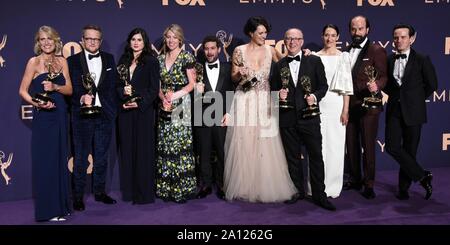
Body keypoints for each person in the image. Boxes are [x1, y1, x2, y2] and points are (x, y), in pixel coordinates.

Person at [223, 16, 297, 203]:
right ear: (251, 33)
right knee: (244, 144)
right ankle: (245, 186)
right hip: (244, 99)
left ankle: (264, 186)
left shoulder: (270, 50)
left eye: (266, 33)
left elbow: (288, 62)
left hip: (265, 101)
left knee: (266, 145)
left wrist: (307, 55)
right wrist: (239, 73)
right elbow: (233, 78)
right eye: (261, 33)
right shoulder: (239, 51)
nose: (264, 36)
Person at [271, 28, 336, 211]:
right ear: (284, 41)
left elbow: (323, 86)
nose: (292, 42)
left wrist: (314, 97)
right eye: (289, 39)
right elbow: (272, 91)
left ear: (302, 41)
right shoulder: (279, 65)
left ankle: (319, 195)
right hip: (287, 119)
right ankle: (297, 191)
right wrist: (278, 95)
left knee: (316, 157)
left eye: (296, 39)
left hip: (310, 118)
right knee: (292, 158)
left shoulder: (314, 61)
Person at [19, 26, 72, 221]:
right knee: (46, 163)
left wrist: (55, 86)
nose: (46, 42)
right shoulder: (33, 62)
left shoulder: (62, 62)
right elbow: (23, 91)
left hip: (59, 115)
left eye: (49, 39)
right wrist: (38, 103)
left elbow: (69, 90)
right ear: (38, 42)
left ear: (56, 40)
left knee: (59, 161)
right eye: (42, 39)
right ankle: (47, 211)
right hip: (44, 117)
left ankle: (60, 208)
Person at [68, 25, 119, 211]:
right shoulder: (72, 61)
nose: (92, 42)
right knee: (80, 159)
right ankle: (78, 197)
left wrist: (112, 109)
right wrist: (81, 97)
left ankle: (99, 192)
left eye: (96, 39)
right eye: (89, 38)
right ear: (82, 40)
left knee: (102, 157)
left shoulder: (109, 59)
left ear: (100, 41)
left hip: (104, 115)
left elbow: (114, 86)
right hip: (82, 116)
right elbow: (69, 88)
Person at [385, 24, 437, 200]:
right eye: (396, 37)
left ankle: (403, 189)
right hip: (394, 110)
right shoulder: (389, 59)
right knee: (392, 147)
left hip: (414, 112)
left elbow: (432, 85)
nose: (398, 41)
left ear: (412, 39)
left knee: (410, 150)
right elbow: (389, 85)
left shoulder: (422, 59)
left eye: (403, 37)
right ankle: (422, 176)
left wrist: (415, 100)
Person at [307, 24, 353, 198]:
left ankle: (333, 187)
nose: (329, 38)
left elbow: (347, 87)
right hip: (318, 104)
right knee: (317, 147)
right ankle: (316, 186)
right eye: (326, 35)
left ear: (338, 37)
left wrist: (345, 110)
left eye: (333, 35)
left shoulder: (344, 57)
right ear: (322, 36)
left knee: (335, 147)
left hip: (337, 105)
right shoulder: (314, 57)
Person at [344, 15, 388, 199]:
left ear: (367, 30)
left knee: (368, 147)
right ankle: (355, 179)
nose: (357, 32)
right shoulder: (346, 51)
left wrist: (377, 85)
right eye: (354, 29)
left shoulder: (376, 50)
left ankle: (369, 184)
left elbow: (384, 76)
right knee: (352, 145)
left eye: (360, 29)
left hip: (369, 107)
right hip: (350, 106)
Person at [116, 28, 160, 204]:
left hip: (143, 112)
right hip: (126, 112)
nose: (135, 42)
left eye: (139, 40)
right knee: (127, 152)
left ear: (145, 42)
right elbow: (116, 85)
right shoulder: (123, 60)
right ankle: (130, 193)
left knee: (143, 153)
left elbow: (153, 89)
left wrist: (140, 103)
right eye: (133, 39)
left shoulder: (151, 61)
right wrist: (122, 92)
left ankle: (144, 194)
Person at [156, 24, 197, 203]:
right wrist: (163, 98)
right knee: (165, 144)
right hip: (164, 104)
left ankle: (181, 189)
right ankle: (166, 189)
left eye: (174, 37)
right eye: (168, 37)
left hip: (181, 104)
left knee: (179, 146)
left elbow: (192, 84)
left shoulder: (187, 56)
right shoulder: (159, 58)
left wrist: (175, 96)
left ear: (180, 39)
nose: (171, 40)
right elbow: (157, 85)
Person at [193, 35, 234, 200]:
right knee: (204, 153)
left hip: (222, 117)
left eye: (212, 48)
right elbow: (192, 97)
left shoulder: (228, 67)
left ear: (218, 49)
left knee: (223, 152)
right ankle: (206, 185)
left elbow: (232, 91)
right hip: (202, 116)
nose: (209, 52)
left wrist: (229, 113)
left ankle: (223, 185)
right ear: (203, 50)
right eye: (206, 48)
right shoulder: (197, 70)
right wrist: (197, 91)